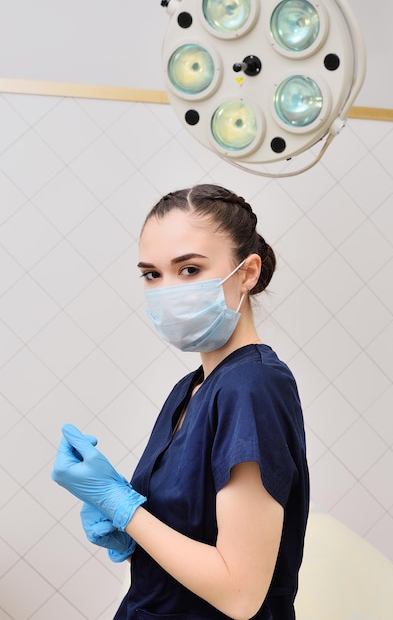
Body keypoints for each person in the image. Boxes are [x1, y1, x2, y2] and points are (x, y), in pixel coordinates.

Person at [52, 184, 310, 620]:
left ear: (247, 273)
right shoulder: (192, 387)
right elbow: (194, 535)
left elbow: (240, 593)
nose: (167, 290)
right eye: (152, 274)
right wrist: (126, 524)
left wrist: (123, 507)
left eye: (189, 270)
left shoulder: (253, 387)